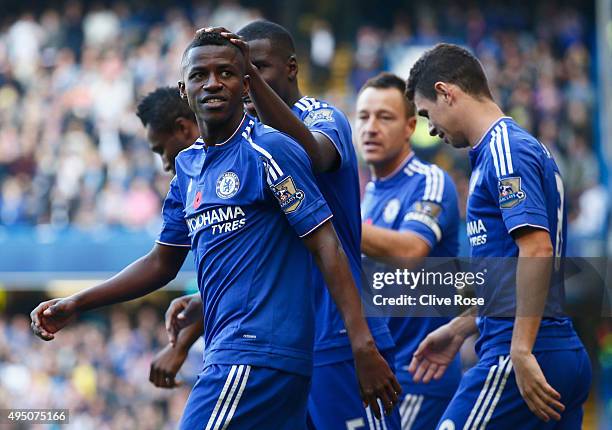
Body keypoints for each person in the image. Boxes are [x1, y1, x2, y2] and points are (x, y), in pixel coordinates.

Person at [31, 31, 397, 429]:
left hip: (257, 352)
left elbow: (326, 241)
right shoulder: (188, 169)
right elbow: (162, 262)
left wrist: (362, 344)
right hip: (249, 352)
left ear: (245, 85)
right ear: (183, 90)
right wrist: (79, 302)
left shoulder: (273, 147)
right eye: (200, 75)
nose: (212, 83)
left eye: (227, 72)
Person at [166, 20, 401, 428]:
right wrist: (205, 308)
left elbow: (312, 153)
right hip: (289, 342)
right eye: (241, 71)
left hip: (340, 334)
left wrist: (362, 342)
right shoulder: (243, 144)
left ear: (290, 68)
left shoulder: (320, 117)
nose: (244, 82)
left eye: (255, 69)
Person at [406, 43, 591, 429]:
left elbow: (537, 249)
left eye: (426, 114)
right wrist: (461, 326)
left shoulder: (505, 148)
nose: (431, 129)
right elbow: (512, 277)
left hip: (521, 353)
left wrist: (520, 350)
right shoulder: (505, 151)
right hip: (551, 348)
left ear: (446, 92)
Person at [357, 72, 462, 430]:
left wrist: (333, 224)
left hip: (419, 374)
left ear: (409, 126)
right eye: (363, 117)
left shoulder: (428, 181)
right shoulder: (367, 195)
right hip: (381, 374)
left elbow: (411, 251)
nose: (371, 127)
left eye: (384, 117)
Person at [135, 86, 203, 389]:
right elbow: (160, 263)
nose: (164, 163)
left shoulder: (254, 155)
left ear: (183, 128)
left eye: (162, 149)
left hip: (253, 347)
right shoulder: (184, 186)